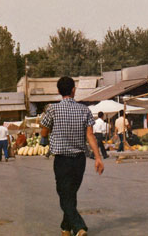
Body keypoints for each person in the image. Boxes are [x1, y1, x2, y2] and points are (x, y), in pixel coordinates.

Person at [40, 76, 104, 236]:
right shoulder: (84, 110)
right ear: (73, 90)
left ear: (58, 91)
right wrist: (98, 157)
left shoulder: (52, 109)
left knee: (64, 194)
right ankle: (65, 228)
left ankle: (80, 227)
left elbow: (43, 131)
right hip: (79, 160)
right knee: (71, 194)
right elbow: (90, 135)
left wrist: (45, 138)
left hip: (61, 160)